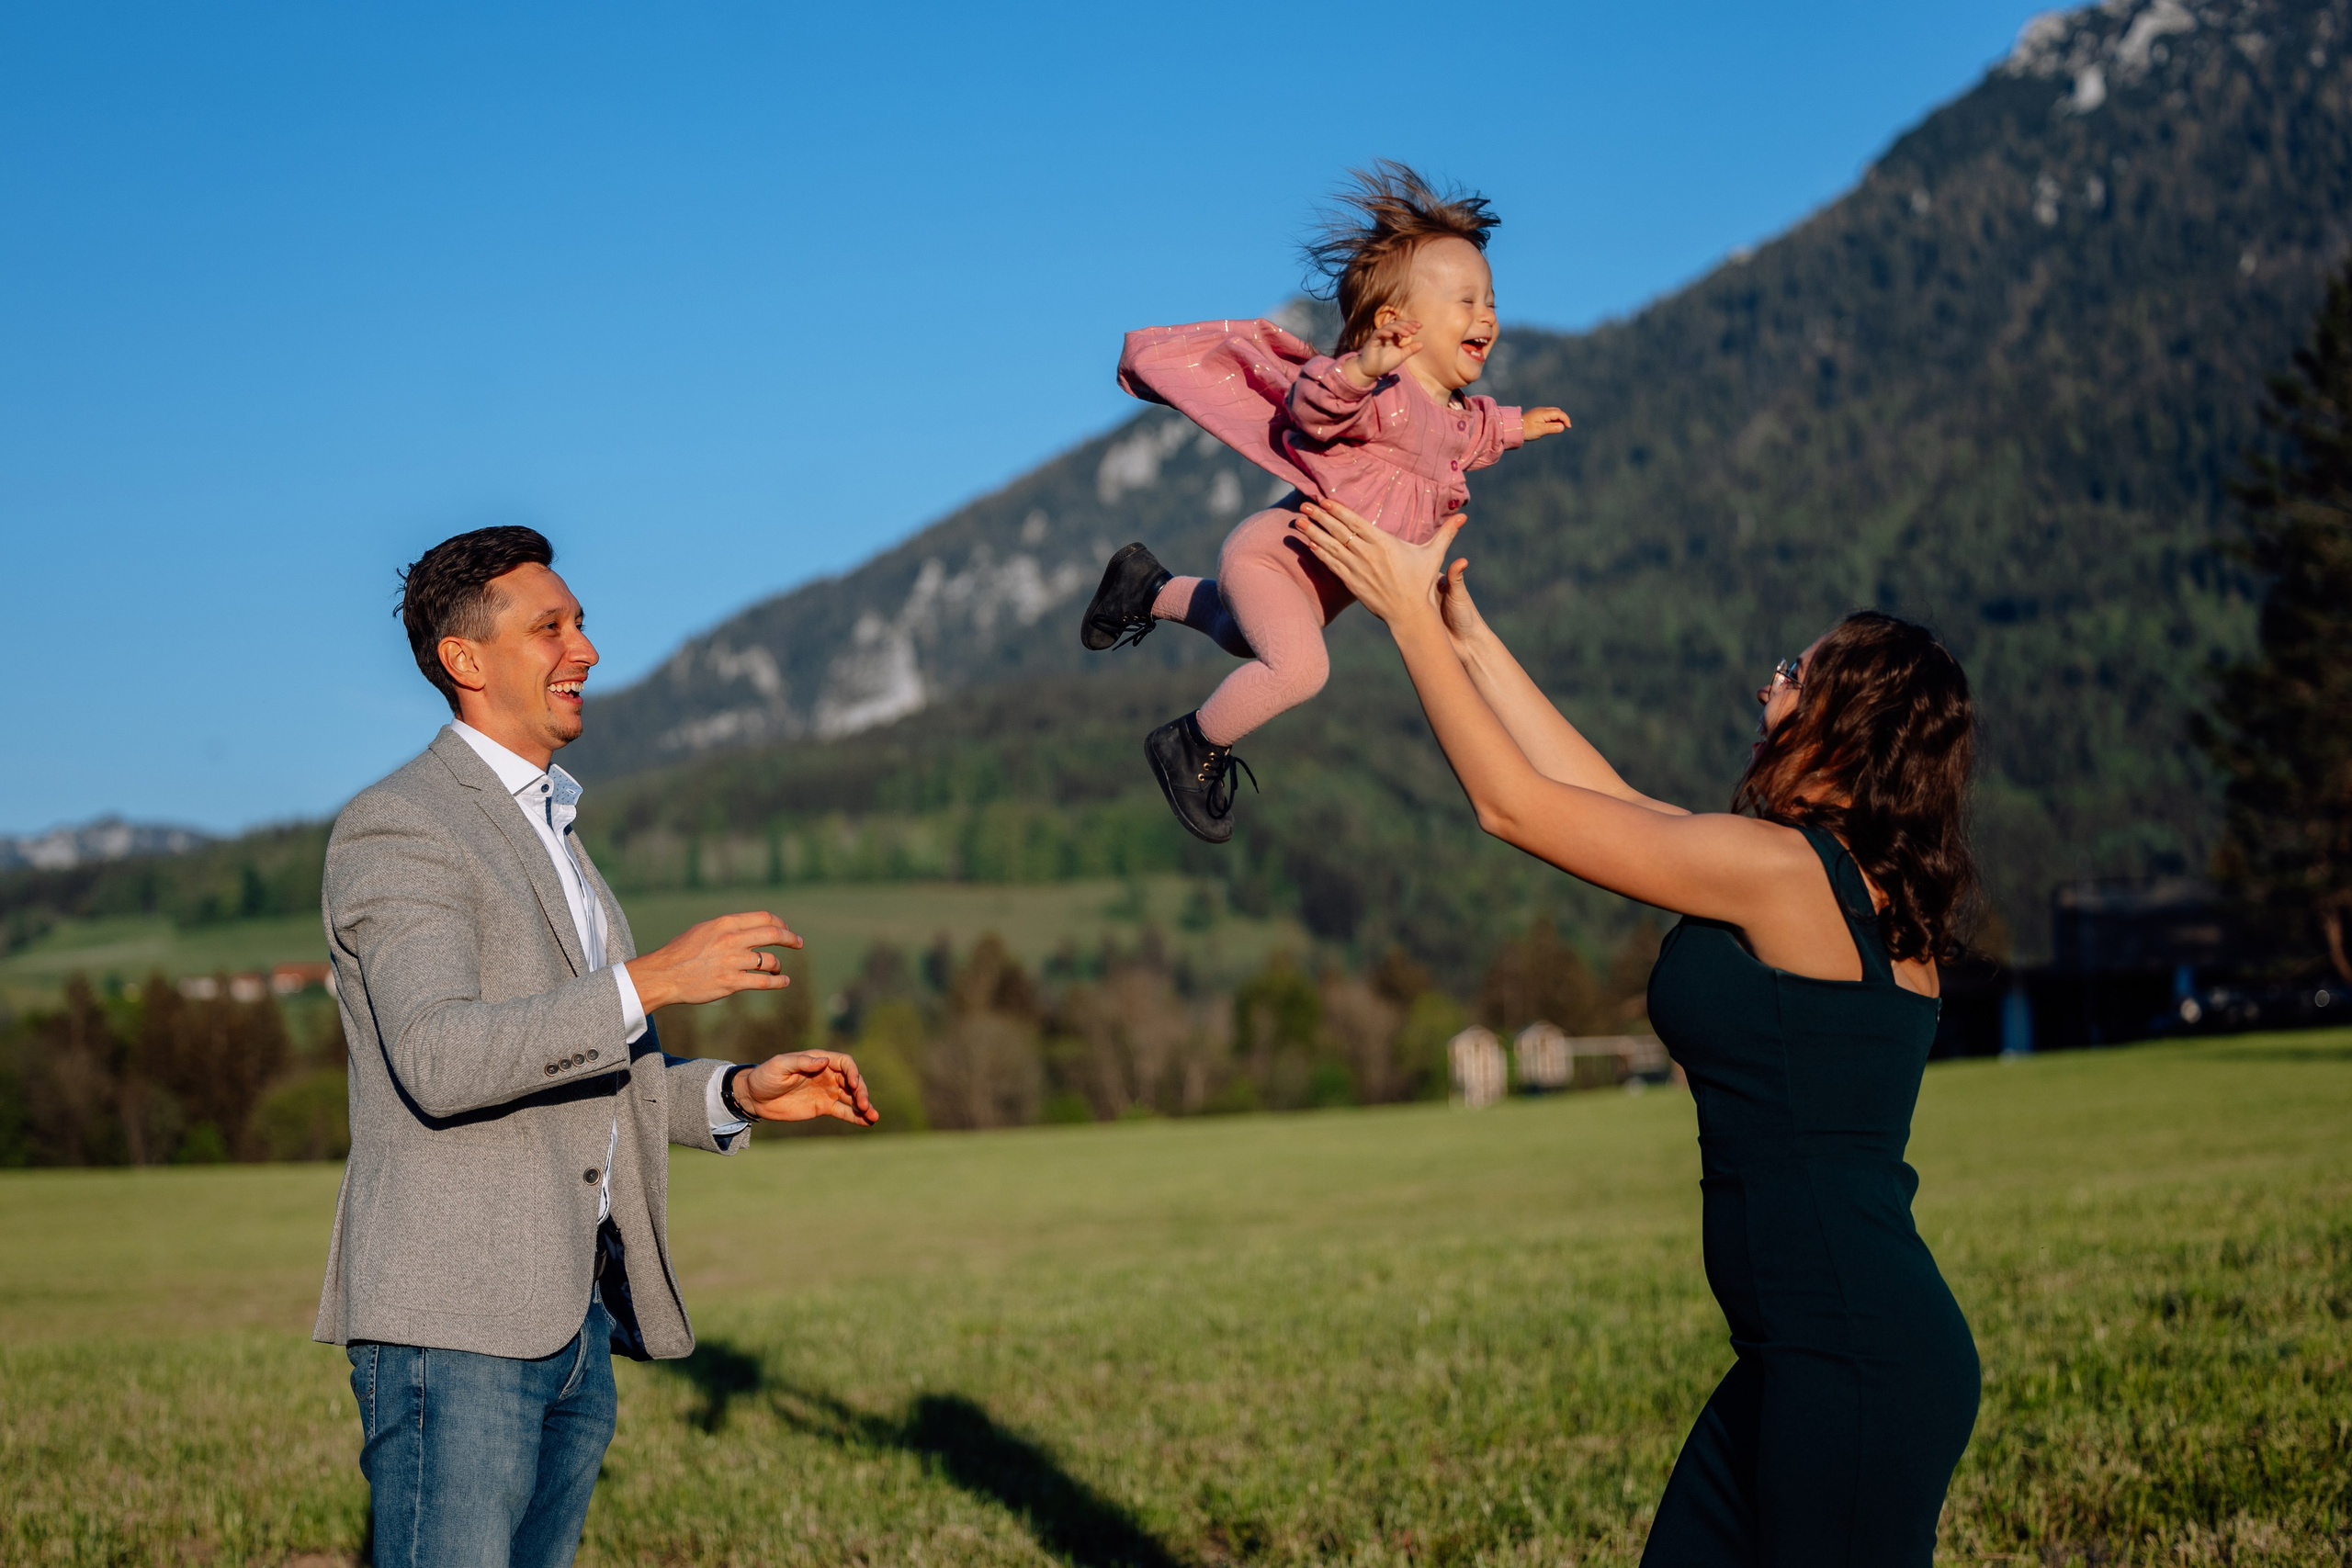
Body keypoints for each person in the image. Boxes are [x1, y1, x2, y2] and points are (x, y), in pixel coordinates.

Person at [1293, 497, 1981, 1565]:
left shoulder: (1785, 874)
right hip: (1816, 1353)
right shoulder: (1837, 885)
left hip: (1849, 1362)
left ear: (1846, 724)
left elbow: (1515, 808)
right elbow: (1605, 798)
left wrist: (1406, 619)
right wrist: (1469, 638)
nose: (1767, 687)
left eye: (1793, 675)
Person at [314, 525, 879, 1567]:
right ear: (465, 659)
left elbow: (583, 1073)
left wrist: (738, 1093)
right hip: (457, 1325)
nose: (587, 649)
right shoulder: (400, 826)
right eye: (551, 627)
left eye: (580, 622)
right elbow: (440, 1058)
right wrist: (651, 979)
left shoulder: (555, 831)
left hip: (575, 1323)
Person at [1079, 161, 1572, 843]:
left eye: (1490, 300)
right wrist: (1363, 367)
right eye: (1466, 301)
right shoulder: (1377, 396)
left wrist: (1522, 426)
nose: (1486, 315)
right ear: (1396, 324)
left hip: (1313, 590)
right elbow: (1314, 405)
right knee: (1300, 669)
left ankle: (1147, 587)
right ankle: (1189, 743)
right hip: (1272, 557)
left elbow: (1478, 432)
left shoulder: (1452, 417)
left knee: (1235, 633)